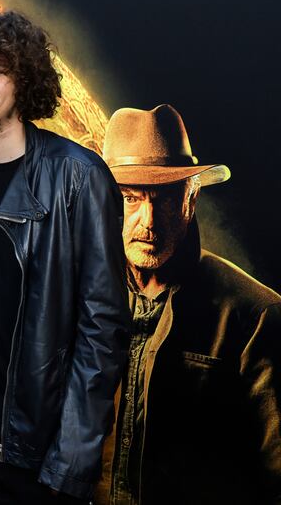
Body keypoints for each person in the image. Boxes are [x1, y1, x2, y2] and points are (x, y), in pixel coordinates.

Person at [0, 10, 131, 503]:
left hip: (33, 456)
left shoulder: (78, 176)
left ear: (25, 82)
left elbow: (103, 331)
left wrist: (69, 463)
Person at [97, 104, 281, 504]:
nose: (147, 220)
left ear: (191, 199)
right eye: (130, 199)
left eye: (163, 199)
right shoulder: (78, 296)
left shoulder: (254, 316)